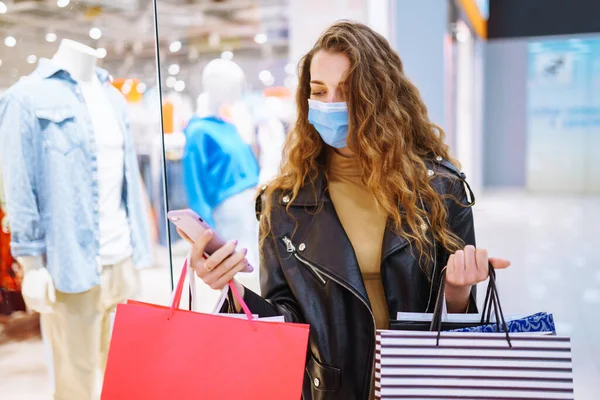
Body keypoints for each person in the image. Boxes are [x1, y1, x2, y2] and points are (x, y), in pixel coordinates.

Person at [179, 21, 511, 400]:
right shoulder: (283, 202)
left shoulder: (440, 189)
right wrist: (230, 289)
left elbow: (462, 330)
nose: (331, 105)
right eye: (319, 92)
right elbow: (288, 321)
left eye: (348, 91)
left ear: (380, 95)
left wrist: (457, 290)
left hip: (421, 385)